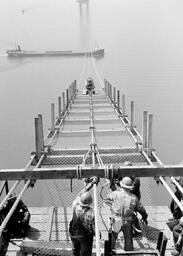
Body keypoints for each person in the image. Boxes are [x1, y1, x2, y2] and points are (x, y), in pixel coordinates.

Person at [105, 176, 148, 252]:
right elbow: (141, 209)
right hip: (127, 221)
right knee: (128, 238)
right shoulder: (134, 198)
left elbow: (107, 196)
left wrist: (111, 185)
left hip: (116, 220)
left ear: (121, 185)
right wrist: (145, 217)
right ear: (130, 187)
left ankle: (110, 251)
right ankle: (128, 251)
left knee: (113, 236)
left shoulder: (115, 194)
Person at [69, 177, 98, 256]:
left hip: (73, 233)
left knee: (75, 250)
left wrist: (90, 184)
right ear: (89, 203)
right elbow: (94, 227)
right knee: (85, 253)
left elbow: (81, 193)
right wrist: (98, 234)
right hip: (85, 237)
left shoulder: (75, 204)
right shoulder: (91, 212)